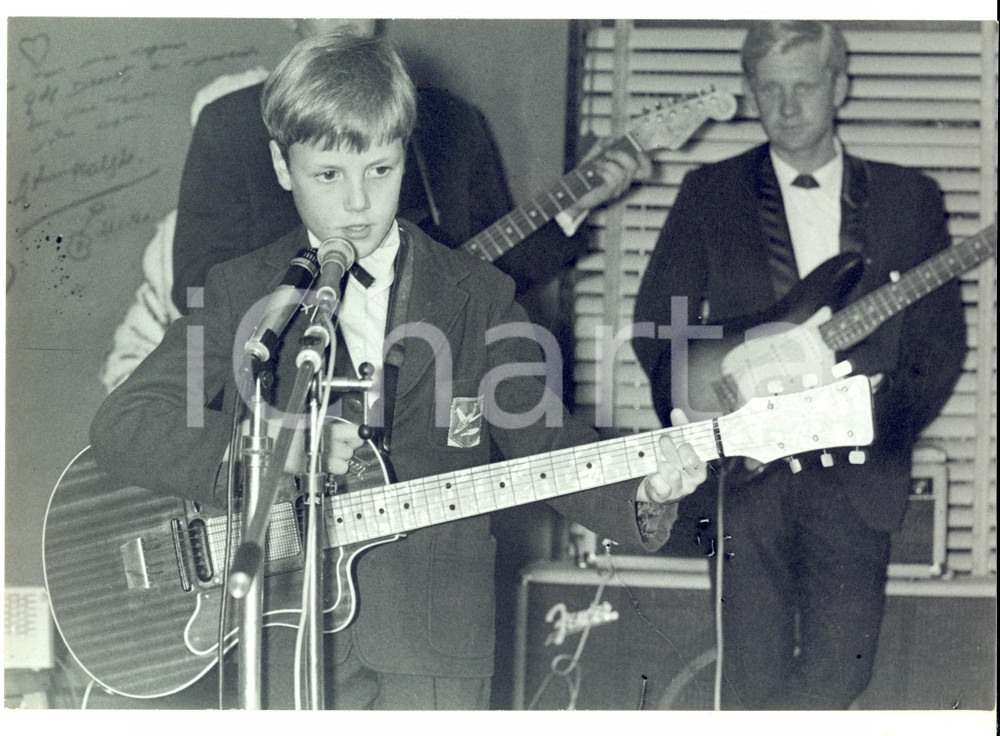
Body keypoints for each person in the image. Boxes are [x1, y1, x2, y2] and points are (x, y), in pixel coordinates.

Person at [91, 33, 705, 710]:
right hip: (279, 635)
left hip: (436, 647)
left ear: (404, 157)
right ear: (281, 165)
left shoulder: (477, 295)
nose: (358, 204)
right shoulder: (244, 292)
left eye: (380, 171)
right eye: (329, 176)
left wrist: (647, 487)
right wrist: (279, 454)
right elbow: (125, 423)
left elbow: (548, 444)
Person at [632, 21, 966, 709]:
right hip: (748, 485)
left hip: (855, 476)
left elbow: (939, 348)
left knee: (843, 671)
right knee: (747, 681)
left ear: (840, 86)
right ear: (752, 93)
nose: (786, 108)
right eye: (769, 90)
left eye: (804, 87)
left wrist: (874, 424)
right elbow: (657, 328)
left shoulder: (911, 199)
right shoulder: (709, 193)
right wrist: (711, 410)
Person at [101, 18, 643, 393]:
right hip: (279, 398)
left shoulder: (454, 121)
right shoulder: (230, 122)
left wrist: (579, 205)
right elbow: (197, 284)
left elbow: (492, 273)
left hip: (417, 395)